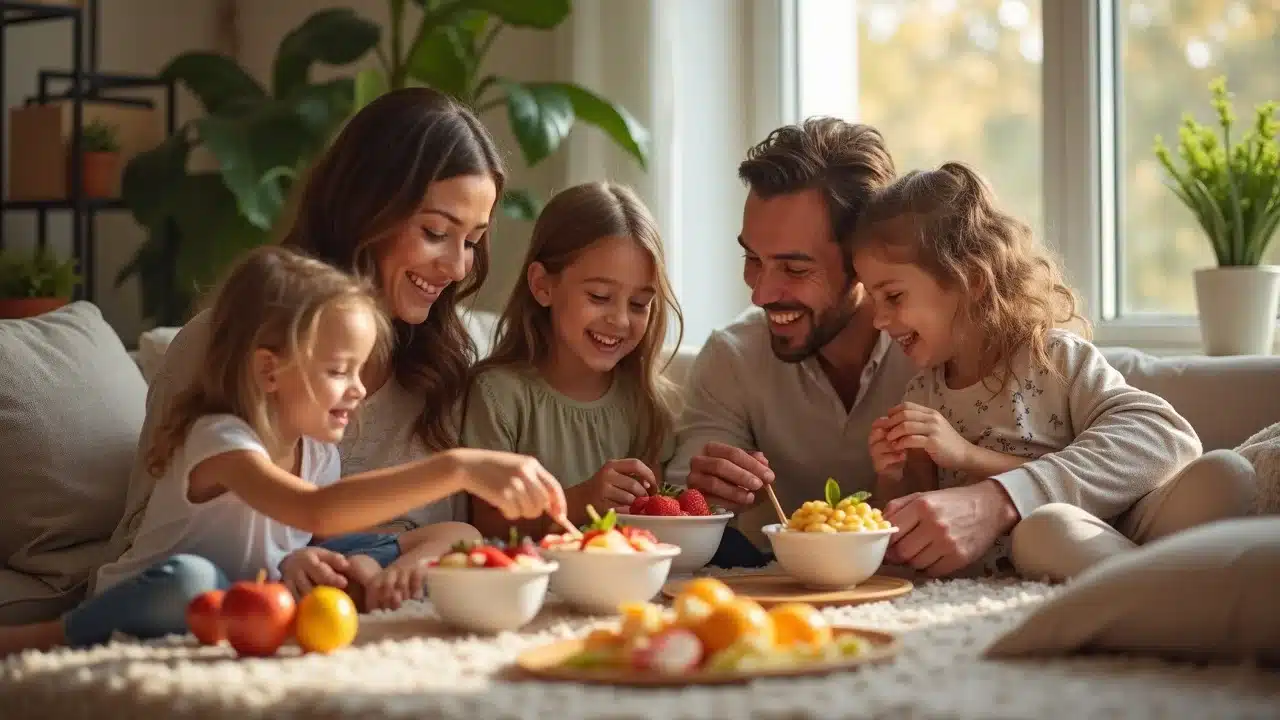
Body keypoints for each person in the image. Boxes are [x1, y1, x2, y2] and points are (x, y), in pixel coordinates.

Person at [0, 247, 566, 657]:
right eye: (339, 371)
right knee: (194, 583)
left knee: (451, 535)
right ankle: (42, 638)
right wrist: (458, 467)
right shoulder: (219, 439)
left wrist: (304, 562)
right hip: (161, 594)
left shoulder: (317, 453)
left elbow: (305, 535)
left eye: (359, 370)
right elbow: (313, 511)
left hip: (247, 594)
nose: (359, 389)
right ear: (270, 371)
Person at [101, 87, 509, 610]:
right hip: (192, 601)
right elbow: (148, 536)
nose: (456, 267)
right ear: (365, 208)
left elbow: (357, 539)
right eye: (435, 231)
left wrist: (369, 567)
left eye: (472, 241)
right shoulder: (224, 343)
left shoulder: (443, 367)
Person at [853, 161, 1258, 580]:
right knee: (1045, 531)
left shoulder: (1052, 358)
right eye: (873, 300)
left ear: (970, 279)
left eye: (893, 296)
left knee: (1223, 474)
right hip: (1045, 550)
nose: (878, 320)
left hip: (1104, 528)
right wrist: (892, 477)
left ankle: (1149, 579)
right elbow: (915, 515)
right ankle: (1160, 584)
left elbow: (1168, 439)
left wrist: (967, 456)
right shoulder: (923, 394)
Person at [665, 118, 916, 565]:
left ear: (863, 260)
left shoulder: (934, 346)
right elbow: (681, 526)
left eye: (795, 269)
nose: (760, 294)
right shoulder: (731, 358)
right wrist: (706, 500)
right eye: (752, 258)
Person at [460, 182, 683, 538]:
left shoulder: (646, 401)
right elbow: (485, 522)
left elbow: (651, 520)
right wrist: (580, 501)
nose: (620, 320)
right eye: (599, 296)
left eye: (639, 303)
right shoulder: (497, 395)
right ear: (542, 285)